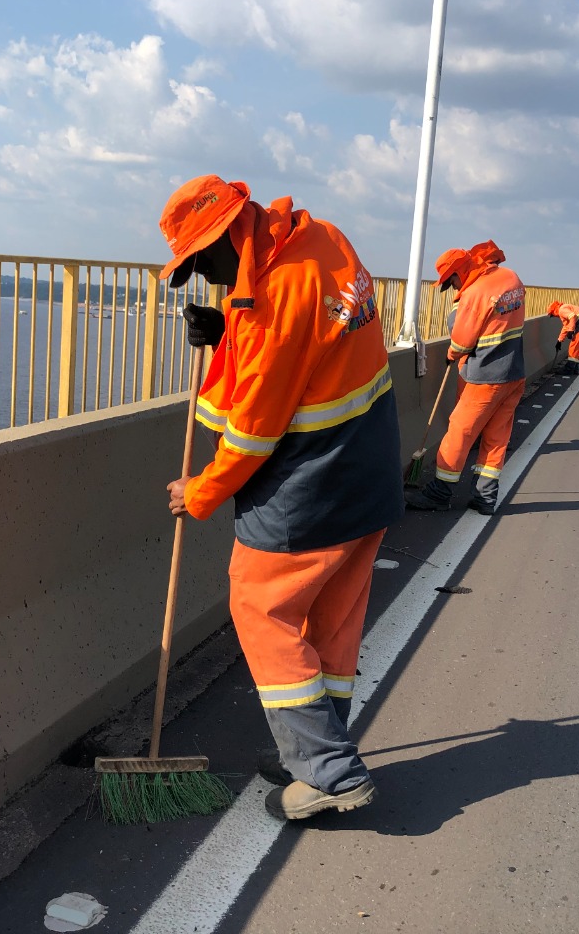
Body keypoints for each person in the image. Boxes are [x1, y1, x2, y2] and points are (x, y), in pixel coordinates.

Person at [159, 175, 403, 821]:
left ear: (226, 237)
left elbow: (251, 434)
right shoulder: (320, 240)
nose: (203, 277)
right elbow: (308, 347)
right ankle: (314, 749)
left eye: (200, 262)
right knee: (332, 623)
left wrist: (199, 492)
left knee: (259, 604)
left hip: (312, 484)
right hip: (370, 471)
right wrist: (227, 330)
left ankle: (329, 773)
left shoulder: (273, 300)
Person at [404, 240, 526, 514]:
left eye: (452, 282)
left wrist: (451, 354)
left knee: (459, 433)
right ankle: (485, 498)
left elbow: (461, 343)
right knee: (496, 438)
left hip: (486, 378)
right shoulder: (511, 278)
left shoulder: (475, 293)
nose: (454, 288)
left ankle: (439, 494)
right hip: (514, 373)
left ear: (459, 273)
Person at [547, 300, 579, 375]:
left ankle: (568, 369)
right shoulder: (565, 307)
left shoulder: (561, 310)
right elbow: (566, 326)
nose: (555, 317)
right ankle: (574, 368)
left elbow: (572, 316)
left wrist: (571, 331)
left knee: (573, 348)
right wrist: (560, 340)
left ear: (554, 311)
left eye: (552, 315)